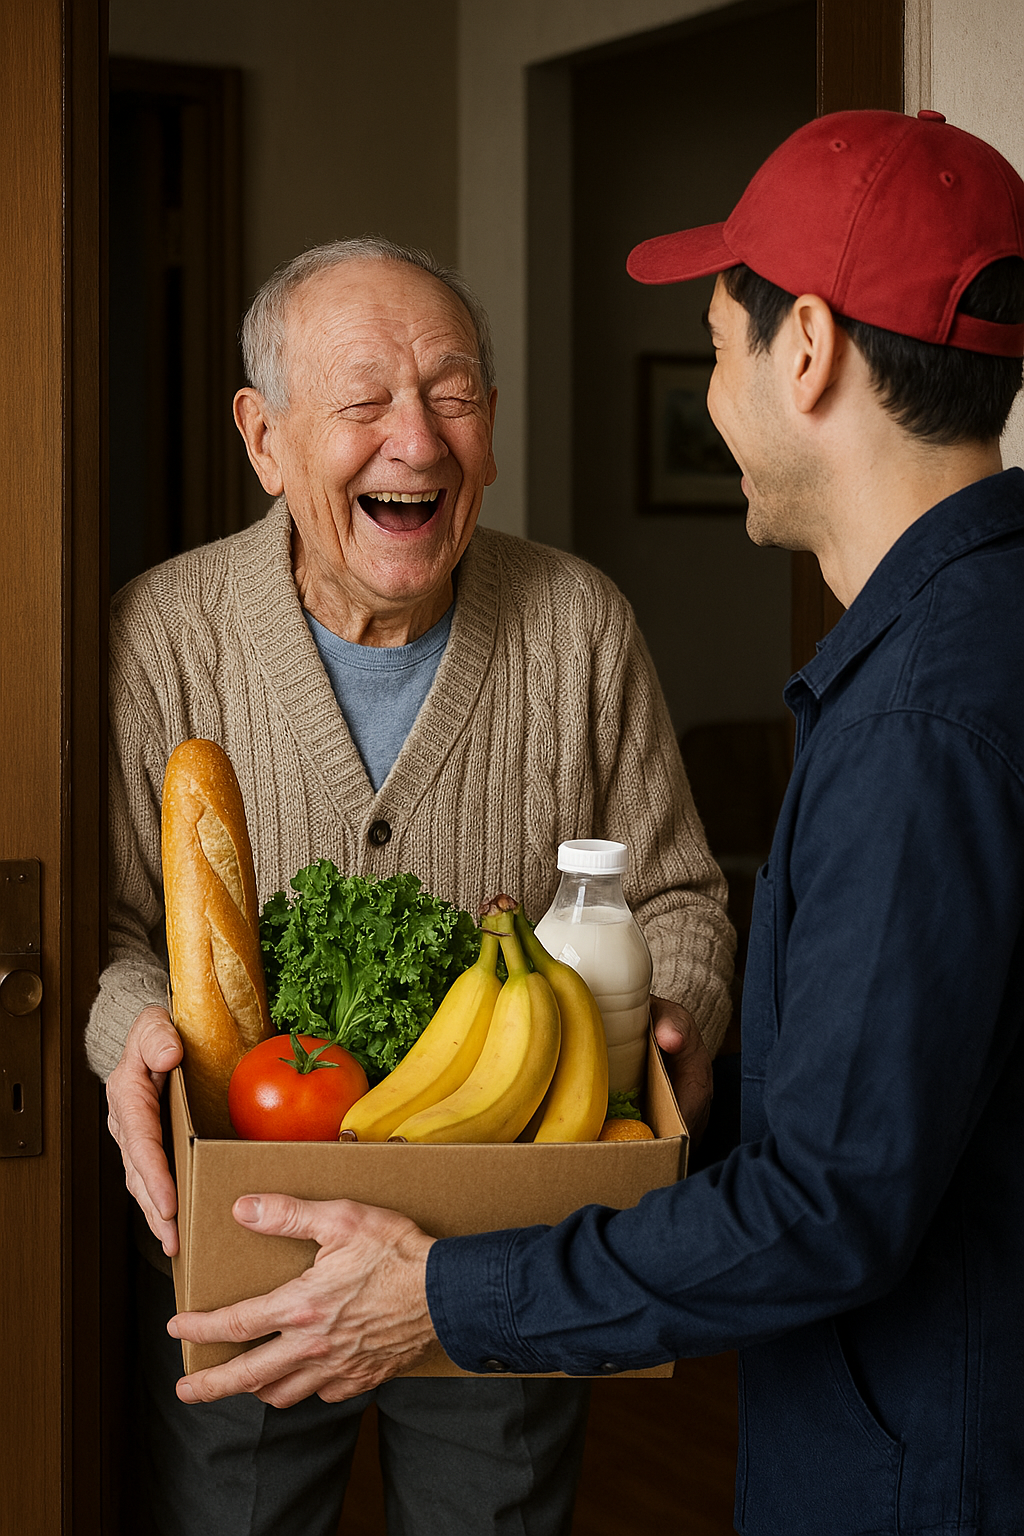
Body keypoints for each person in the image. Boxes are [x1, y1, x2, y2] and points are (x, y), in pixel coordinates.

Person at [166, 112, 1024, 1536]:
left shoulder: (920, 721)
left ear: (804, 349)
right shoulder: (953, 651)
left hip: (923, 1468)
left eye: (716, 345)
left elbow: (829, 1205)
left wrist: (448, 1287)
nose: (715, 393)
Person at [87, 235, 734, 1536]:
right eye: (366, 400)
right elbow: (121, 929)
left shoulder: (578, 623)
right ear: (265, 439)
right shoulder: (160, 632)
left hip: (504, 1235)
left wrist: (685, 1017)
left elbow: (680, 898)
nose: (418, 442)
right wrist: (131, 1028)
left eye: (450, 394)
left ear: (489, 428)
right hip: (251, 1216)